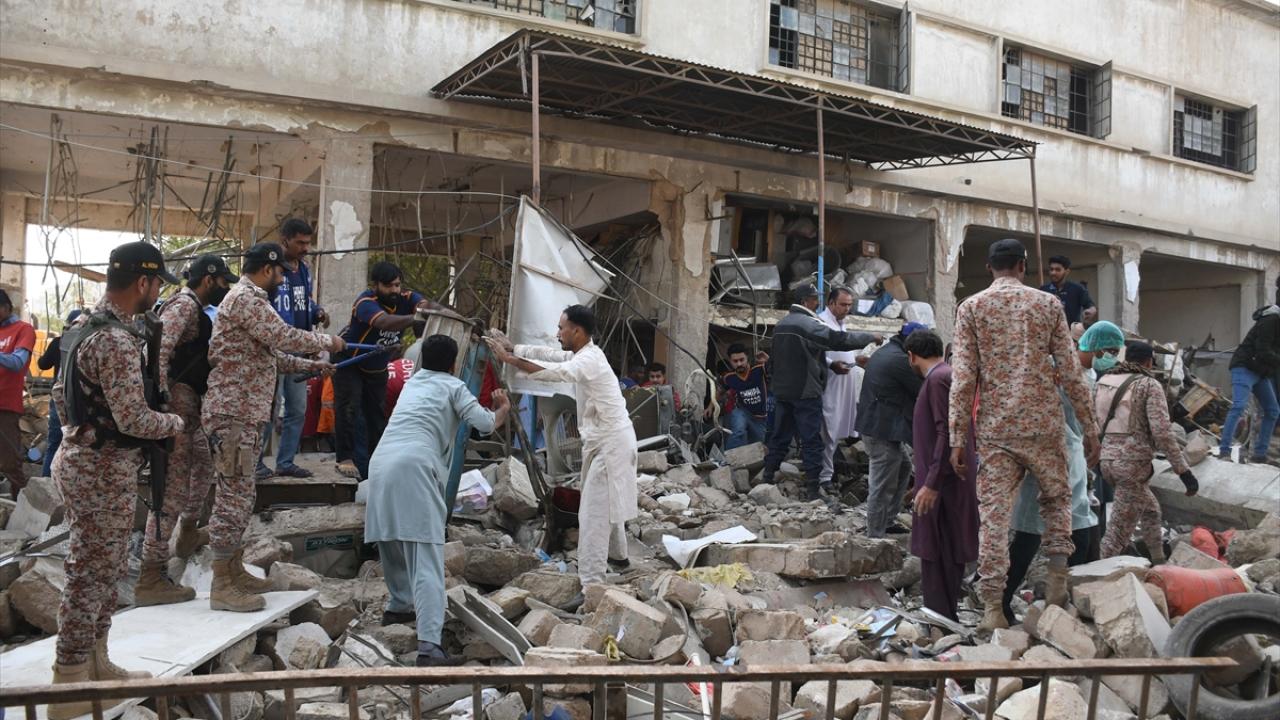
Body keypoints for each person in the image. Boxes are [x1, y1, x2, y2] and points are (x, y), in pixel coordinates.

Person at [47, 242, 186, 717]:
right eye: (157, 284)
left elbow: (61, 398)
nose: (157, 293)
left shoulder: (85, 325)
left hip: (90, 462)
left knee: (104, 570)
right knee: (90, 574)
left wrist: (83, 432)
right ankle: (68, 683)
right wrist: (175, 422)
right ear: (143, 282)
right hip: (100, 470)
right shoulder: (115, 339)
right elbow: (133, 419)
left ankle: (96, 664)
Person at [949, 238, 1100, 632]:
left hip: (997, 430)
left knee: (994, 518)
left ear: (989, 267)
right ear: (1022, 266)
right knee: (1057, 503)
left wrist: (956, 438)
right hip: (1043, 426)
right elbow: (1071, 372)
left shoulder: (972, 308)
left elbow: (963, 380)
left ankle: (992, 609)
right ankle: (1056, 586)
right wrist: (1090, 429)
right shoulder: (1048, 305)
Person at [203, 243, 343, 613]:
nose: (283, 279)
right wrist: (328, 342)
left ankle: (232, 570)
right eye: (281, 272)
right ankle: (221, 584)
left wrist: (311, 366)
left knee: (241, 495)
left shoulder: (247, 301)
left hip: (243, 415)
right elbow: (283, 336)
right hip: (234, 415)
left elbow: (271, 354)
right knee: (232, 499)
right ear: (267, 269)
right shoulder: (247, 299)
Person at [365, 335, 510, 666]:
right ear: (453, 364)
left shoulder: (412, 385)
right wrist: (502, 407)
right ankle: (429, 645)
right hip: (415, 465)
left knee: (392, 542)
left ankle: (399, 606)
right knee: (426, 558)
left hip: (381, 464)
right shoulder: (454, 386)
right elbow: (485, 424)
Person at [486, 305, 637, 590]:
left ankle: (591, 585)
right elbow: (550, 355)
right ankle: (619, 558)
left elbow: (557, 372)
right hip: (605, 441)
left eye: (560, 328)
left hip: (611, 444)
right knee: (607, 499)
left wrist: (509, 359)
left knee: (593, 512)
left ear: (576, 331)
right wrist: (514, 348)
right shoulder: (583, 353)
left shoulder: (589, 360)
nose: (557, 334)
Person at [135, 254, 239, 606]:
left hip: (188, 411)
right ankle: (151, 574)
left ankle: (188, 533)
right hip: (177, 411)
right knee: (171, 493)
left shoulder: (191, 306)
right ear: (209, 279)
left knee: (204, 464)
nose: (225, 288)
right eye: (222, 281)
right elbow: (158, 352)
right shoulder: (184, 305)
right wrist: (163, 403)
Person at [760, 285, 879, 505]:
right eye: (815, 299)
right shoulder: (808, 324)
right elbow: (837, 340)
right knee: (812, 440)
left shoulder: (781, 324)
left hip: (783, 391)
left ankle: (767, 479)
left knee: (780, 436)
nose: (818, 303)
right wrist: (869, 337)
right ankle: (814, 489)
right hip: (806, 392)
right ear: (805, 301)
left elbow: (773, 361)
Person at [1003, 382, 1099, 624]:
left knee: (1070, 533)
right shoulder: (1056, 378)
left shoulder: (1067, 379)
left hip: (1063, 456)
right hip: (1050, 458)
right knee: (1038, 536)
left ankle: (1063, 602)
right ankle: (1007, 603)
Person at [1097, 342, 1198, 561]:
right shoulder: (1149, 385)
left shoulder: (1104, 381)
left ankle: (1158, 561)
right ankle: (1097, 575)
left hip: (1106, 461)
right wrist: (1184, 472)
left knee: (1151, 511)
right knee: (1117, 534)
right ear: (1149, 361)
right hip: (1132, 466)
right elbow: (1162, 433)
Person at [334, 261, 435, 479]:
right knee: (349, 408)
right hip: (350, 361)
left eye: (397, 285)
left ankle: (378, 462)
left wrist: (437, 312)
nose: (394, 290)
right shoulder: (365, 302)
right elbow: (386, 322)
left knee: (377, 416)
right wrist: (417, 317)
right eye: (388, 286)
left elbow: (428, 306)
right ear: (376, 285)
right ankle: (345, 458)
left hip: (376, 366)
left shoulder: (407, 298)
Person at [905, 330, 977, 621]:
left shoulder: (937, 380)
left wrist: (931, 483)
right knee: (946, 548)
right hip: (943, 478)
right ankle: (945, 618)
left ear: (911, 356)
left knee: (937, 550)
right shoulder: (945, 376)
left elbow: (946, 433)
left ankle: (940, 618)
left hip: (943, 482)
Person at [257, 218, 329, 480]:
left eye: (308, 242)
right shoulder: (271, 270)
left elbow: (304, 301)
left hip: (299, 348)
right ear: (284, 240)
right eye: (300, 242)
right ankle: (256, 463)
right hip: (274, 349)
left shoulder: (304, 269)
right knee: (269, 408)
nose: (305, 248)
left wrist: (317, 312)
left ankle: (285, 462)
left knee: (297, 409)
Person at [856, 321, 926, 537]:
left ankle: (886, 521)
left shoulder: (891, 351)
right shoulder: (900, 360)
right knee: (882, 482)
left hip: (880, 425)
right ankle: (875, 535)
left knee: (903, 467)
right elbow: (924, 390)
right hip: (881, 429)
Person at [1219, 285, 1279, 463]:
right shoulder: (1271, 319)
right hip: (1244, 366)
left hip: (1260, 371)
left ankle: (1259, 455)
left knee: (1272, 410)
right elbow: (1263, 350)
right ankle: (1224, 451)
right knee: (1239, 406)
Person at [817, 287, 864, 486]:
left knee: (836, 432)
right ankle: (824, 477)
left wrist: (856, 360)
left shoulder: (841, 323)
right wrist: (831, 365)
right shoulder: (821, 322)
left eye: (849, 305)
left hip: (844, 385)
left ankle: (828, 473)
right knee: (828, 430)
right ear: (831, 303)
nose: (847, 308)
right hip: (830, 385)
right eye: (843, 304)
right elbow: (816, 354)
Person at [37, 309, 82, 478]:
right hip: (77, 404)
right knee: (74, 447)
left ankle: (45, 484)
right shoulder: (88, 342)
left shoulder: (59, 342)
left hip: (58, 400)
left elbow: (42, 364)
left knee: (53, 444)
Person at [0, 288, 35, 499]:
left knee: (10, 462)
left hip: (5, 405)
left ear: (5, 308)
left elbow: (17, 362)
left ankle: (22, 507)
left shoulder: (23, 330)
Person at [719, 343, 769, 450]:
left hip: (760, 418)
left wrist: (768, 360)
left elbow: (778, 369)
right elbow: (720, 390)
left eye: (742, 360)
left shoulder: (759, 369)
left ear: (747, 358)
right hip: (742, 412)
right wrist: (711, 406)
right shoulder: (729, 378)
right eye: (735, 361)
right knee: (738, 430)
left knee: (758, 447)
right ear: (730, 361)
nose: (739, 364)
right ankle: (730, 457)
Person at [1040, 255, 1097, 326]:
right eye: (1051, 269)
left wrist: (1090, 311)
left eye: (1057, 270)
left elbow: (1090, 305)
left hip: (1072, 331)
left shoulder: (1077, 289)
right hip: (1049, 330)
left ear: (1067, 271)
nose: (1053, 273)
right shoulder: (1043, 290)